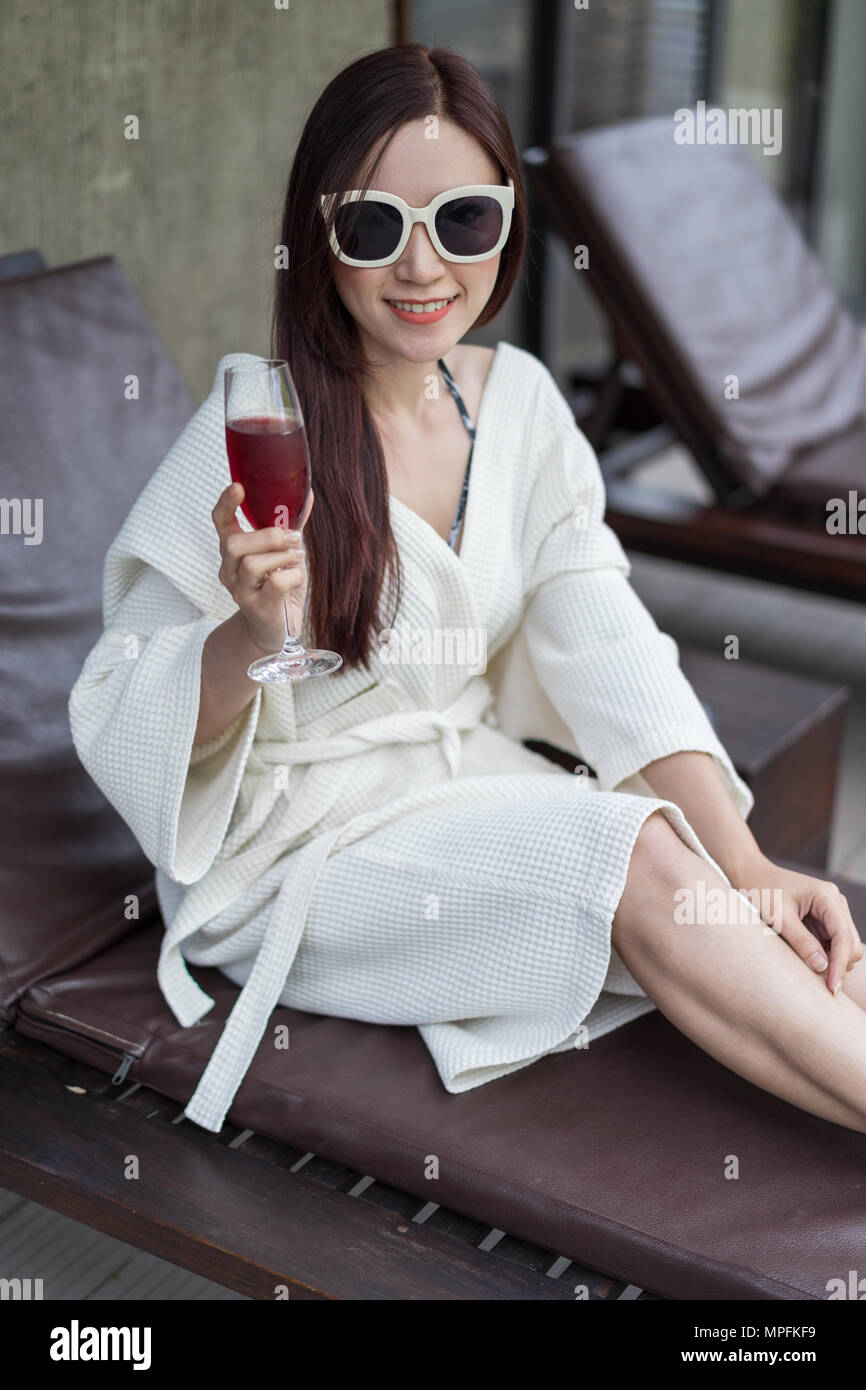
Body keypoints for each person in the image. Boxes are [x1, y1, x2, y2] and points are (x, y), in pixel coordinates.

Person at [69, 43, 864, 1137]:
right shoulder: (253, 435)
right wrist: (248, 632)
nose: (422, 267)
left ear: (506, 222)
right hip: (289, 850)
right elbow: (124, 708)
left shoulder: (522, 405)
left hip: (458, 786)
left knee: (685, 853)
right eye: (372, 226)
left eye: (462, 221)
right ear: (319, 237)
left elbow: (608, 649)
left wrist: (751, 863)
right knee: (627, 853)